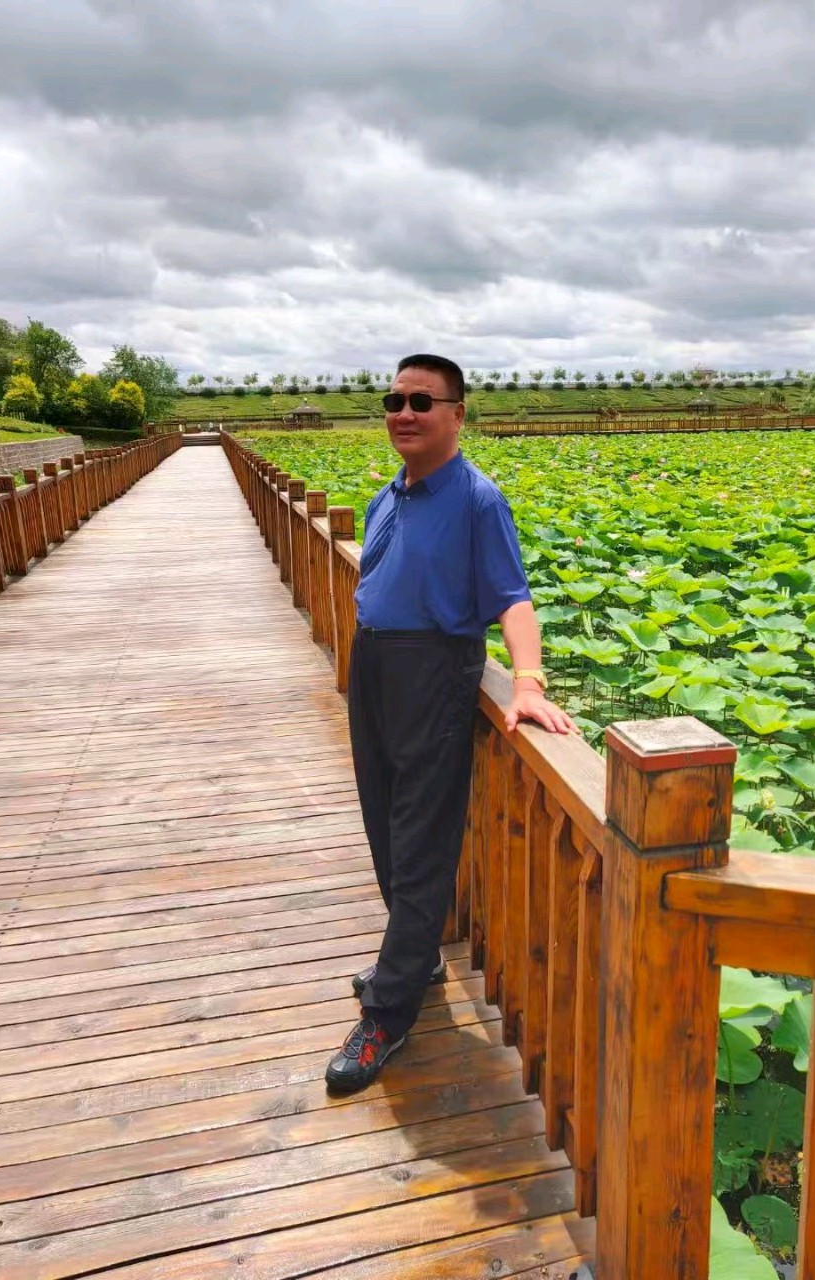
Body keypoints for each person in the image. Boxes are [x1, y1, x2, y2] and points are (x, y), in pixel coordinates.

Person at [324, 353, 577, 1093]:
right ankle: (418, 956)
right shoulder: (388, 495)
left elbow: (513, 597)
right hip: (375, 665)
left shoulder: (476, 499)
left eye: (422, 402)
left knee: (421, 836)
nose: (404, 413)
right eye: (395, 400)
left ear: (457, 415)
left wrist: (526, 680)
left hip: (435, 672)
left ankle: (388, 1012)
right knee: (382, 818)